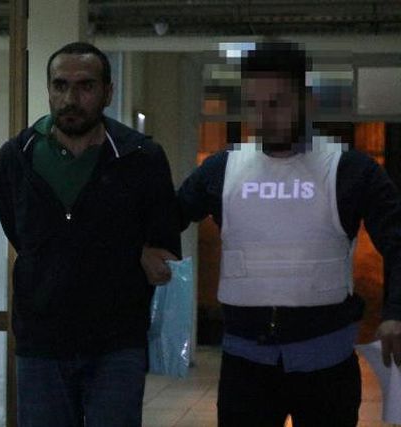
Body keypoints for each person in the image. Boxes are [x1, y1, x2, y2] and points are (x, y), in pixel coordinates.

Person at [143, 42, 401, 426]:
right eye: (253, 105)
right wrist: (149, 248)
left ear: (306, 101)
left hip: (326, 363)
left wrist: (396, 313)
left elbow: (397, 241)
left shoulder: (351, 170)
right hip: (246, 365)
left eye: (277, 103)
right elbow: (166, 218)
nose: (263, 117)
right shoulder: (222, 169)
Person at [0, 42, 180, 426]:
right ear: (48, 89)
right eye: (60, 85)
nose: (70, 99)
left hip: (116, 344)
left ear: (107, 92)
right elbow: (20, 234)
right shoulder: (16, 157)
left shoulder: (141, 158)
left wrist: (133, 253)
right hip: (41, 343)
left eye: (85, 86)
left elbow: (163, 246)